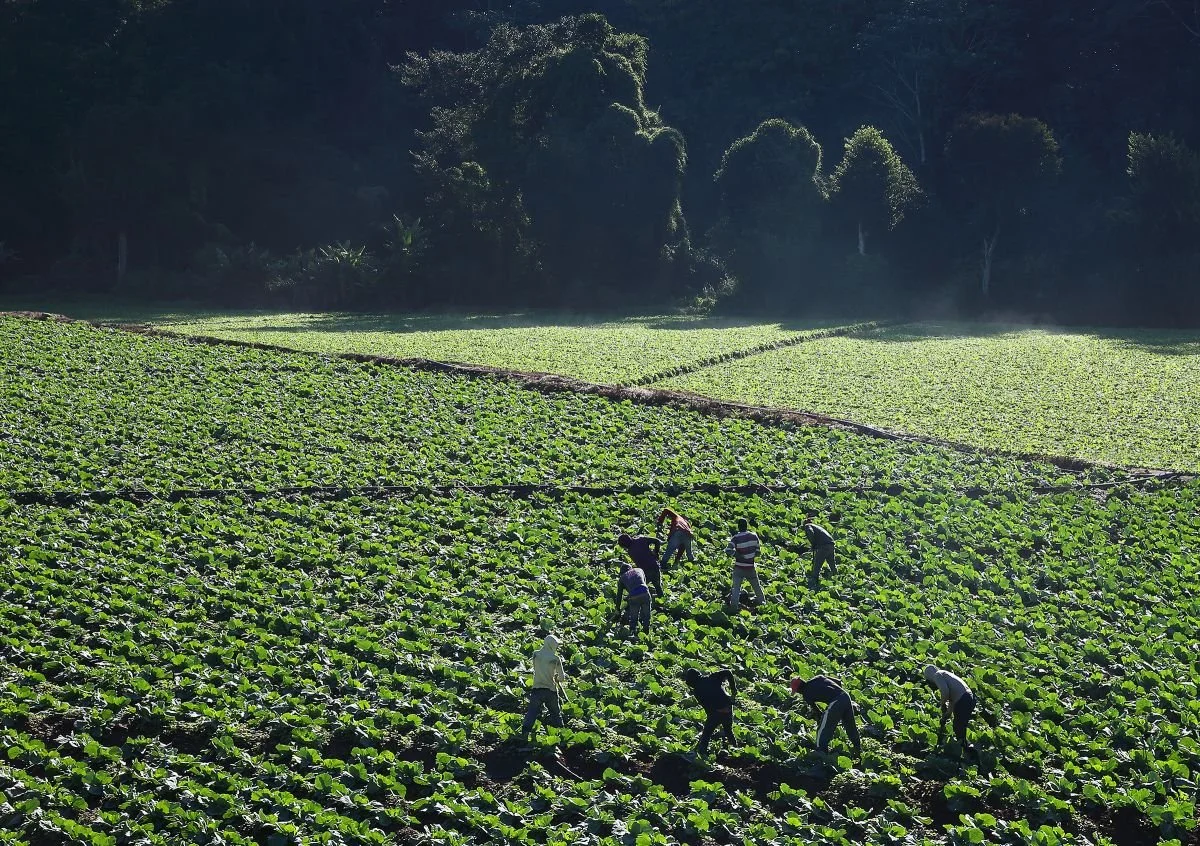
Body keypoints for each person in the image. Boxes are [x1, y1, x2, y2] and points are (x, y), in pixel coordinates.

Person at [790, 674, 862, 756]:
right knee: (850, 725)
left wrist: (826, 714)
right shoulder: (818, 677)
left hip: (836, 702)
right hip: (845, 696)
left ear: (799, 689)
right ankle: (858, 748)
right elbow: (838, 682)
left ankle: (821, 751)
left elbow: (817, 711)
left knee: (823, 727)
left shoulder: (806, 694)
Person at [519, 635, 567, 742]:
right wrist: (556, 678)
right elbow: (562, 678)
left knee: (532, 713)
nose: (557, 646)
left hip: (537, 689)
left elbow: (536, 668)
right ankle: (562, 736)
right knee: (555, 714)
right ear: (552, 644)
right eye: (556, 644)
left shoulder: (536, 654)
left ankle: (524, 735)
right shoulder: (555, 659)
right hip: (551, 690)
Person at [683, 668, 737, 760]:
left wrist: (715, 712)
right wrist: (733, 689)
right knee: (728, 731)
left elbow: (707, 706)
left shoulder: (697, 691)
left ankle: (702, 756)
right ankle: (736, 750)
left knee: (706, 735)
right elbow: (728, 672)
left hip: (715, 713)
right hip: (727, 709)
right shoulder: (711, 678)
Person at [924, 664, 975, 753]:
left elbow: (945, 691)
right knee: (960, 725)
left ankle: (967, 750)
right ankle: (965, 747)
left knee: (958, 726)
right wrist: (946, 716)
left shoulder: (938, 675)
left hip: (963, 699)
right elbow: (952, 702)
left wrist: (942, 703)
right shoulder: (947, 677)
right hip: (969, 698)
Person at [726, 518, 765, 611]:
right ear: (747, 526)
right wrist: (750, 557)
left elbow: (728, 550)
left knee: (736, 588)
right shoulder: (754, 536)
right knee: (757, 587)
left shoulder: (736, 538)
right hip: (750, 567)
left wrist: (738, 555)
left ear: (738, 527)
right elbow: (758, 552)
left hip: (739, 567)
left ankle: (733, 608)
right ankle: (763, 604)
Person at [614, 562, 652, 636]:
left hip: (633, 596)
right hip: (645, 592)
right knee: (646, 614)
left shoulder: (622, 578)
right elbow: (642, 582)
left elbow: (619, 595)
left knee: (634, 616)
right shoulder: (639, 570)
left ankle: (632, 632)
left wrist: (617, 609)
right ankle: (646, 631)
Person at [802, 517, 837, 583]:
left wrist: (813, 543)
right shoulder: (817, 527)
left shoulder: (808, 526)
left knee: (817, 563)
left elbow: (810, 532)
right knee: (832, 563)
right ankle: (836, 577)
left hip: (823, 546)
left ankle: (814, 580)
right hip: (831, 544)